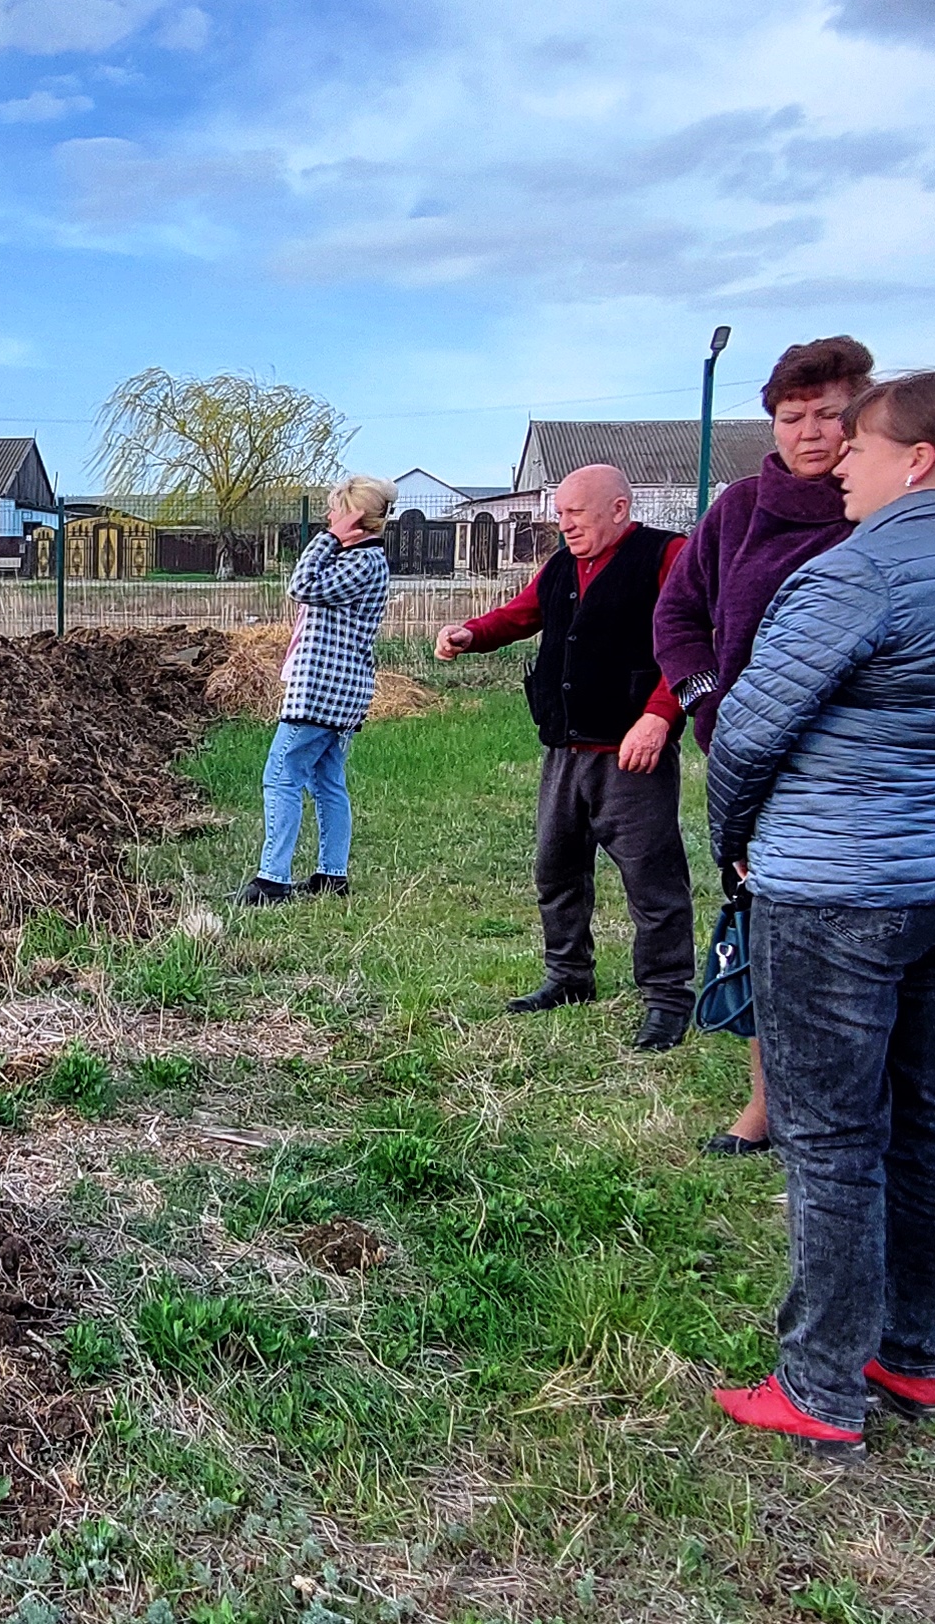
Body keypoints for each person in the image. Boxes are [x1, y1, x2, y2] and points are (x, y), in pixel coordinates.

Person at [703, 370, 935, 1462]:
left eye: (855, 445)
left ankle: (817, 1385)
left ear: (917, 462)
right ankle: (909, 1353)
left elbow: (749, 732)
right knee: (923, 1112)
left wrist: (735, 846)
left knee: (831, 1136)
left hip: (839, 887)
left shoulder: (857, 574)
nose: (835, 460)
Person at [654, 335, 873, 1156]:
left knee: (855, 937)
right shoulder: (739, 510)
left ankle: (855, 1104)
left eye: (829, 414)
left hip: (851, 762)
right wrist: (705, 704)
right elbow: (677, 616)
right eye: (792, 416)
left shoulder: (881, 511)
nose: (812, 432)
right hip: (751, 760)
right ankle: (766, 1104)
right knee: (762, 925)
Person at [435, 465, 693, 1050]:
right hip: (564, 748)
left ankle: (668, 998)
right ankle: (569, 977)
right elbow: (524, 613)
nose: (563, 522)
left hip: (632, 754)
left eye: (575, 512)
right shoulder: (560, 566)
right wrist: (471, 633)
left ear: (619, 510)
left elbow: (689, 639)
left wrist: (659, 717)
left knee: (653, 883)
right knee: (556, 871)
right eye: (560, 512)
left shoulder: (665, 555)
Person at [237, 475, 394, 906]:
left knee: (281, 776)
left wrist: (327, 539)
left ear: (354, 517)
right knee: (327, 780)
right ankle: (332, 874)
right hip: (342, 691)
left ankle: (272, 879)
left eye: (335, 510)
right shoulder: (363, 562)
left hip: (322, 691)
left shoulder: (361, 563)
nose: (328, 516)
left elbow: (301, 587)